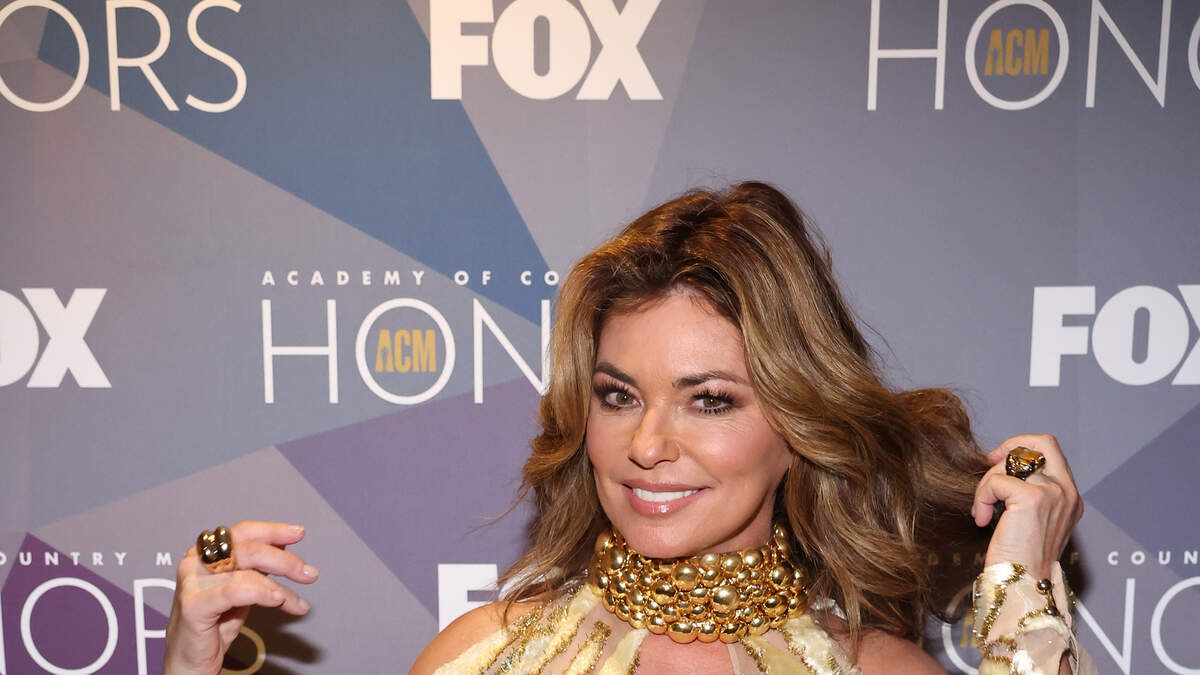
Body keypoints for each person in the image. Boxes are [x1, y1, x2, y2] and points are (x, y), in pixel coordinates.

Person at [165, 182, 1094, 674]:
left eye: (710, 399)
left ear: (799, 424)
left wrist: (1022, 586)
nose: (646, 445)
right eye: (617, 395)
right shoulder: (478, 659)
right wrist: (191, 664)